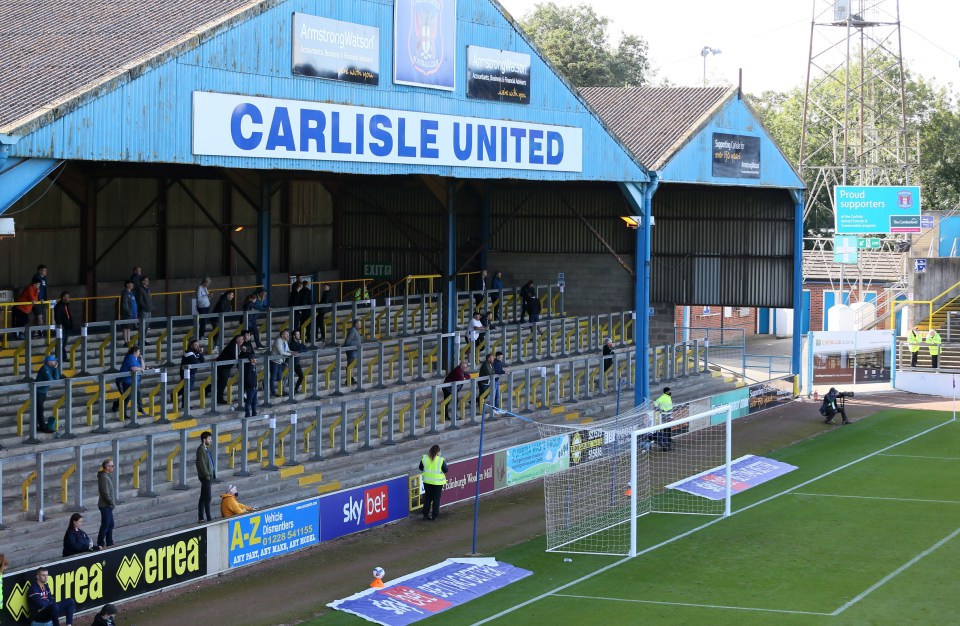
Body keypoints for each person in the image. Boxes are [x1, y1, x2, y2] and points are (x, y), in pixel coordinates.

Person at [112, 345, 145, 414]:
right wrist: (140, 369)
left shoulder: (137, 358)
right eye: (139, 351)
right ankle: (121, 411)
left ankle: (140, 408)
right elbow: (133, 368)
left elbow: (143, 367)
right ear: (134, 352)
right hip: (124, 381)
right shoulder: (130, 357)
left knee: (138, 393)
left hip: (133, 381)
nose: (140, 353)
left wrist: (141, 360)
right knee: (126, 397)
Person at [419, 444, 448, 521]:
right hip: (437, 483)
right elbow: (446, 470)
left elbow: (420, 467)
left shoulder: (425, 458)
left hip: (427, 482)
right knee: (436, 499)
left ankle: (425, 515)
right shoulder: (440, 460)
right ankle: (434, 516)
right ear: (438, 452)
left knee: (427, 498)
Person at [35, 354, 61, 434]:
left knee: (39, 409)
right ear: (49, 362)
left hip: (43, 392)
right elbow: (51, 380)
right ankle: (42, 426)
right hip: (38, 392)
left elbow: (56, 379)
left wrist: (55, 368)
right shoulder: (44, 368)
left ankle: (38, 425)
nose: (56, 362)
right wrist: (54, 372)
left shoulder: (51, 368)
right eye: (54, 361)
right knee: (40, 409)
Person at [215, 334, 244, 403]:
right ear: (237, 340)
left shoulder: (236, 345)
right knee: (223, 383)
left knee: (221, 382)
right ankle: (219, 398)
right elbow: (236, 357)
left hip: (226, 367)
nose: (243, 341)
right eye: (241, 339)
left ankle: (207, 389)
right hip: (223, 367)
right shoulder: (232, 346)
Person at [196, 431, 216, 523]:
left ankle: (201, 517)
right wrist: (207, 475)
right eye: (209, 439)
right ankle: (208, 518)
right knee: (207, 498)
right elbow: (202, 464)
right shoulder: (201, 450)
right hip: (205, 477)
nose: (211, 440)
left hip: (208, 476)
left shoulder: (206, 448)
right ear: (204, 440)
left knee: (203, 497)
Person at [97, 459, 116, 548]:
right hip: (105, 505)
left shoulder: (106, 476)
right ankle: (100, 543)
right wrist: (112, 503)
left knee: (110, 524)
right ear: (107, 467)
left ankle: (109, 541)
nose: (113, 467)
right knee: (105, 525)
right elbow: (105, 493)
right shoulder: (104, 478)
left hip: (107, 505)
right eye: (112, 466)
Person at [271, 329, 293, 396]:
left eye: (288, 334)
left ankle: (266, 381)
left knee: (279, 378)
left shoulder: (285, 341)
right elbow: (281, 352)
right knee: (273, 377)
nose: (288, 335)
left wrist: (292, 352)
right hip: (274, 361)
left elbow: (287, 350)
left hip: (280, 362)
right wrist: (291, 354)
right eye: (286, 334)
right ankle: (273, 392)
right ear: (282, 335)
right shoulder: (278, 341)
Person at [53, 291, 74, 362]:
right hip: (63, 327)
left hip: (67, 327)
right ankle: (60, 357)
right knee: (60, 343)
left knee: (64, 343)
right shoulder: (59, 306)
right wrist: (60, 326)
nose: (69, 298)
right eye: (67, 297)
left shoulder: (66, 305)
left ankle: (61, 357)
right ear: (63, 298)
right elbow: (57, 317)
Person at [343, 319, 363, 385]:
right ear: (356, 324)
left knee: (352, 365)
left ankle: (351, 378)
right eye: (360, 323)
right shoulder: (353, 331)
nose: (361, 325)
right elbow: (347, 341)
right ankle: (349, 379)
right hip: (352, 351)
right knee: (350, 365)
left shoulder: (355, 331)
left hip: (354, 350)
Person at [118, 279, 138, 346]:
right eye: (131, 284)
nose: (132, 285)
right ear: (127, 285)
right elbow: (125, 304)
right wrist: (128, 311)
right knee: (125, 327)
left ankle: (129, 340)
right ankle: (126, 341)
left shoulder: (131, 293)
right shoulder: (125, 293)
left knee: (128, 328)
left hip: (131, 314)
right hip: (127, 314)